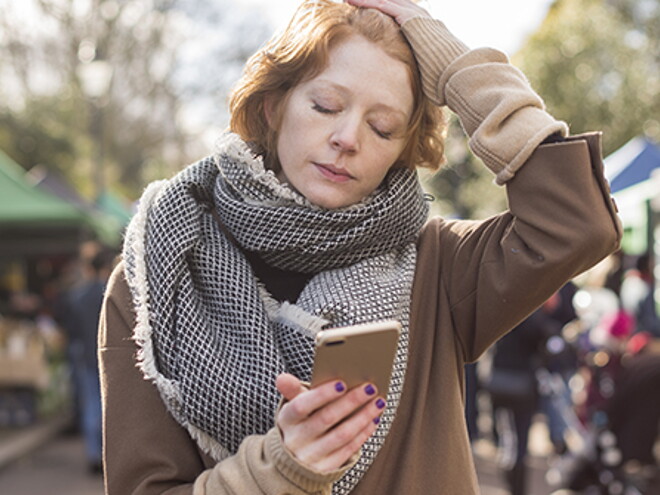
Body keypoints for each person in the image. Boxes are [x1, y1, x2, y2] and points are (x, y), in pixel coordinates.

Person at [98, 0, 621, 493]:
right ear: (272, 106)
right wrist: (279, 470)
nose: (348, 137)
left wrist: (459, 71)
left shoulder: (439, 266)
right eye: (326, 106)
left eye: (382, 126)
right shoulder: (159, 268)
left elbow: (577, 222)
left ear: (402, 151)